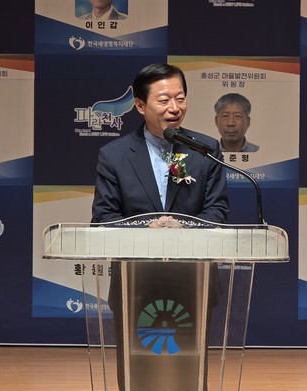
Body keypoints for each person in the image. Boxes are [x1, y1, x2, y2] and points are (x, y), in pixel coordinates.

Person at [91, 63, 228, 390]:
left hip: (193, 279)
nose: (174, 107)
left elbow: (218, 212)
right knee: (137, 368)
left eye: (180, 98)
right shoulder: (114, 155)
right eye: (164, 100)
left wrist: (182, 229)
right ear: (140, 105)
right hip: (135, 282)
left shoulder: (205, 150)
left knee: (188, 367)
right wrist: (146, 231)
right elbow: (103, 218)